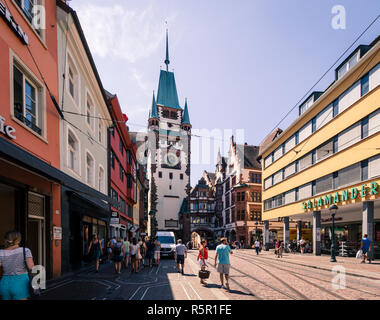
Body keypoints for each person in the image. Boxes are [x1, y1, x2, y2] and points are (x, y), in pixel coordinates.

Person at [0, 231, 35, 300]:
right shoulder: (25, 250)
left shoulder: (1, 252)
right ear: (18, 240)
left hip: (4, 282)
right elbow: (31, 267)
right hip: (20, 282)